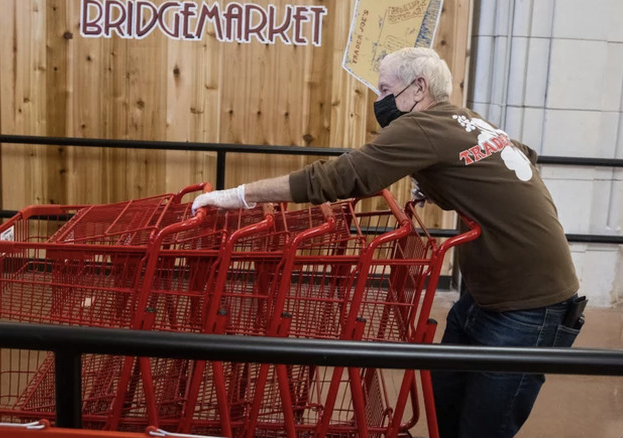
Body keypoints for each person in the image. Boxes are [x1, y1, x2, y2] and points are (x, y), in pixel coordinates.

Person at [191, 47, 585, 438]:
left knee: (481, 428)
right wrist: (445, 185)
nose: (379, 102)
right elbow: (524, 155)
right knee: (445, 407)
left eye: (384, 90)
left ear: (418, 88)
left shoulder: (422, 128)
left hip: (530, 308)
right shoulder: (466, 120)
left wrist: (239, 195)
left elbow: (341, 177)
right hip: (489, 295)